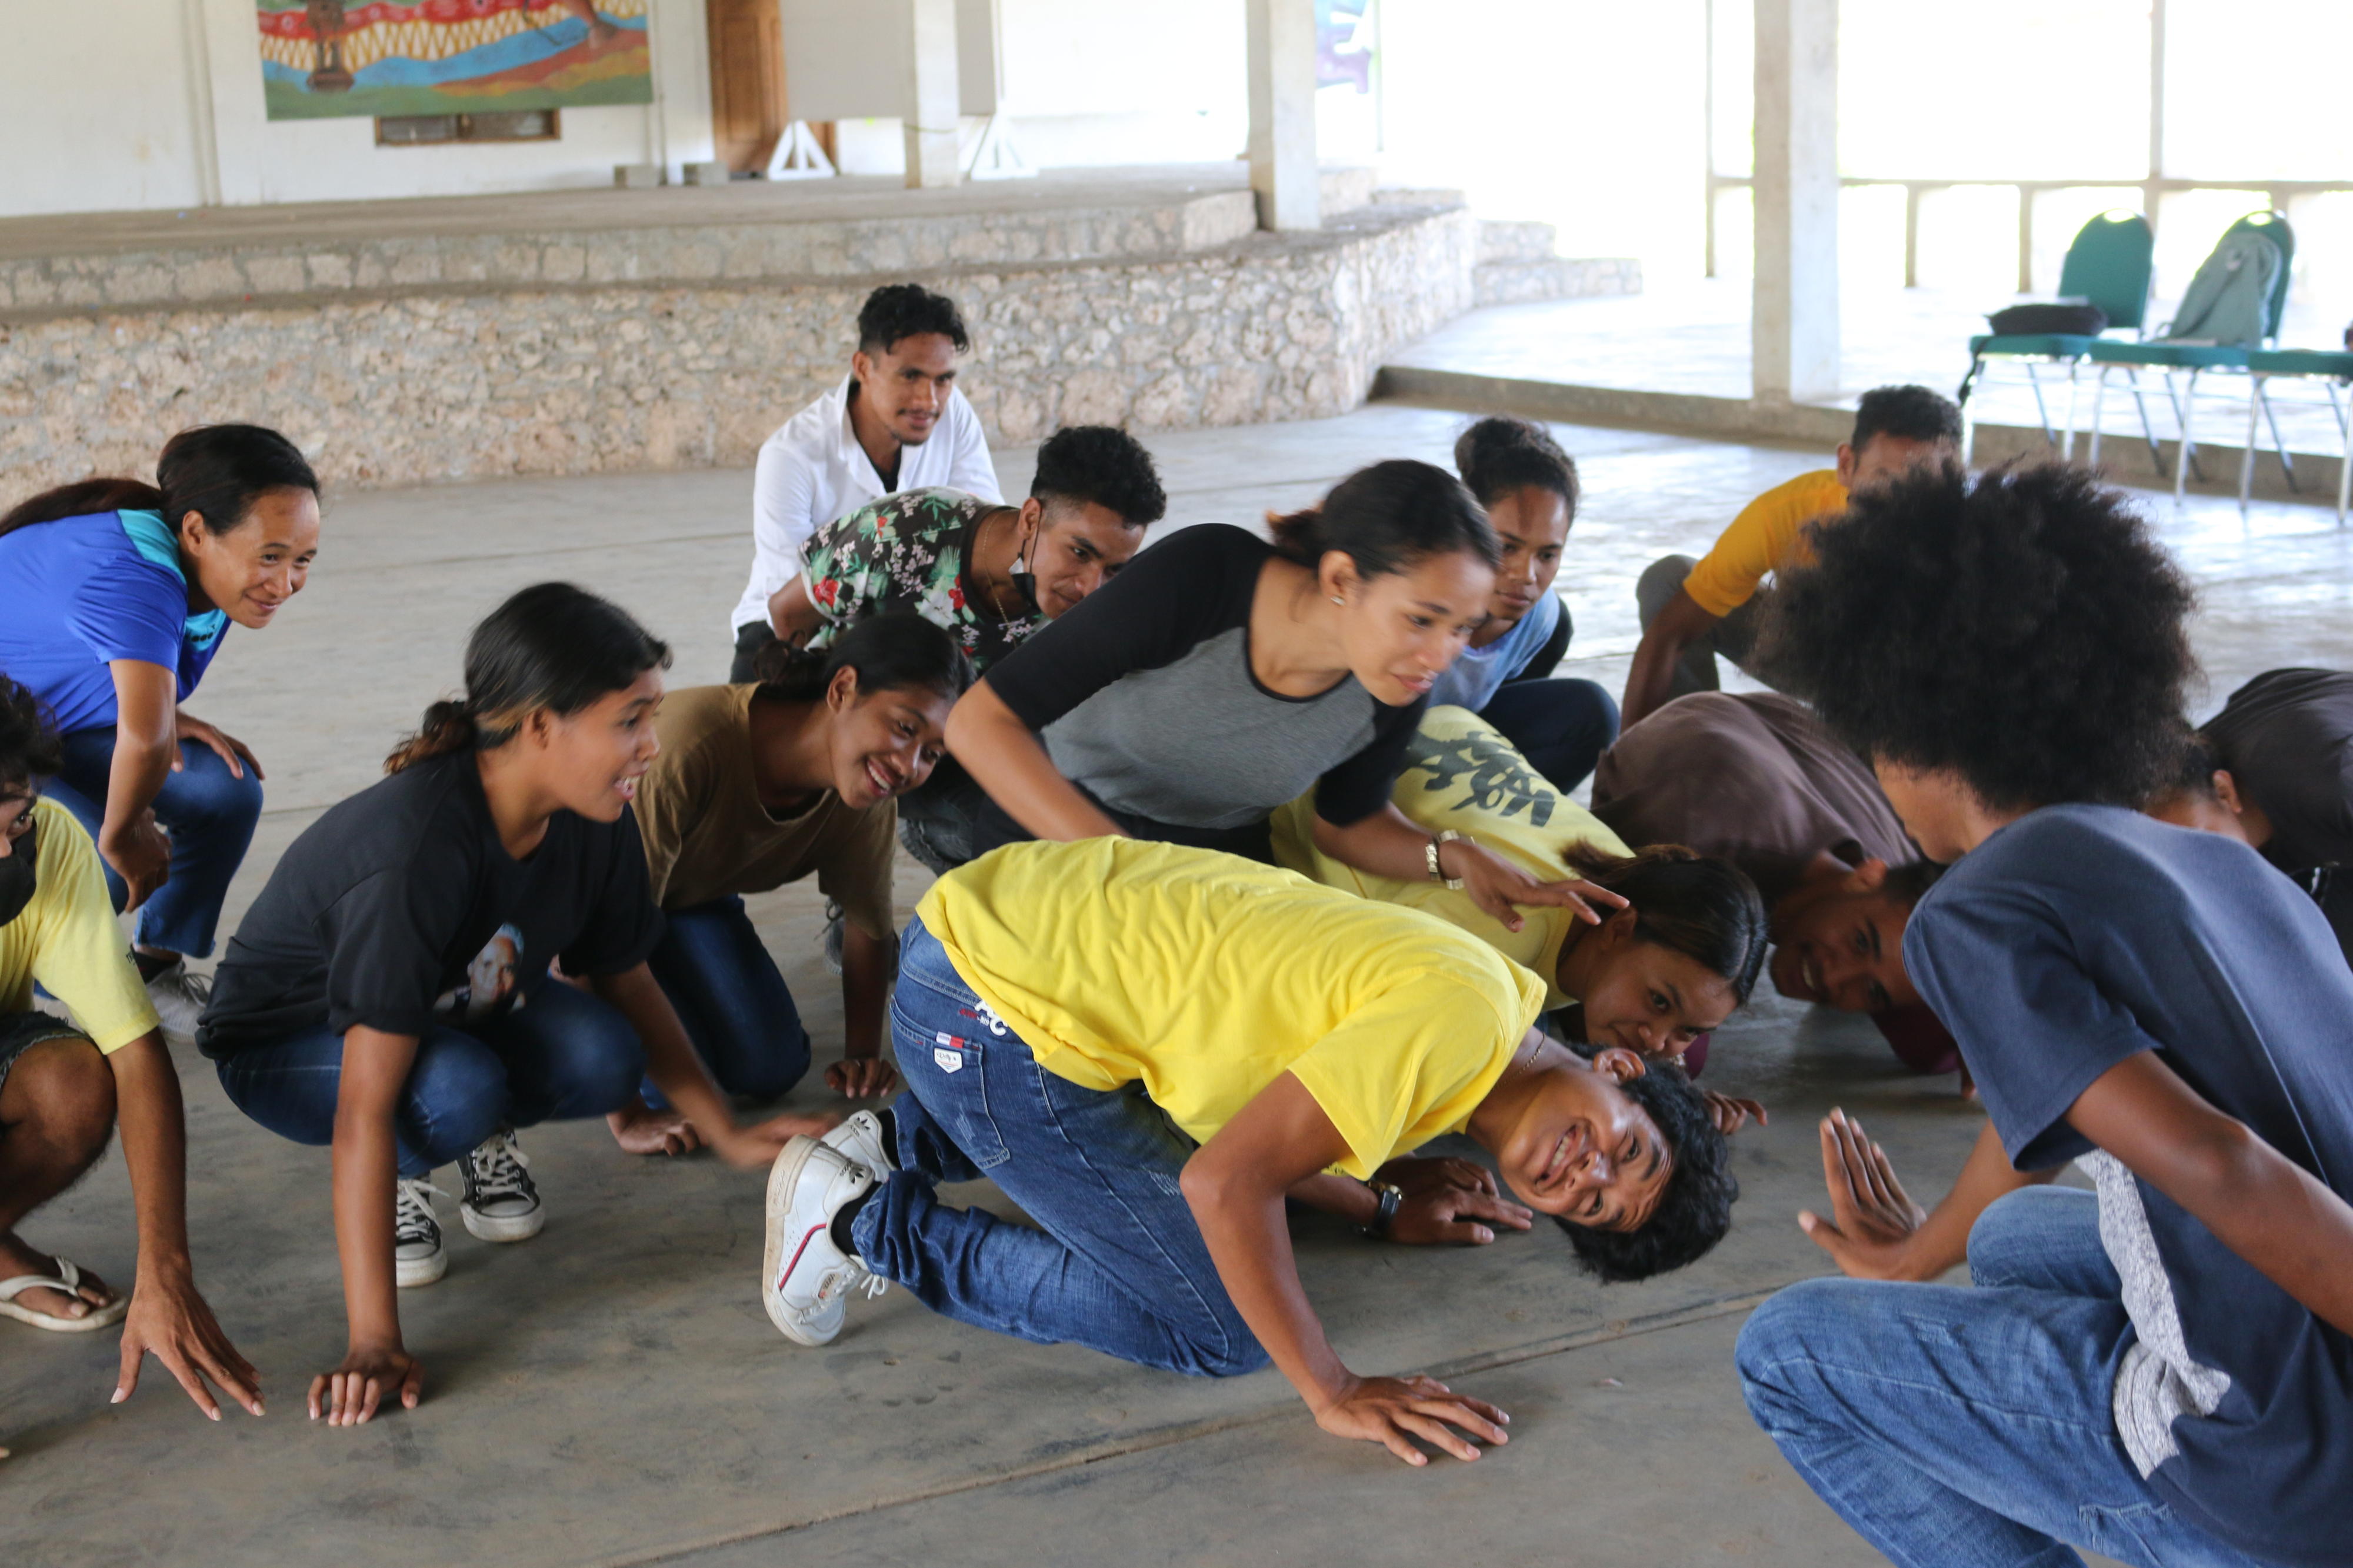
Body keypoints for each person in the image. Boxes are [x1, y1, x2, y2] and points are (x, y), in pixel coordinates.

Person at [1736, 461, 2353, 1568]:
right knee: (2017, 1238)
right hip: (2327, 1374)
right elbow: (2075, 1125)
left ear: (1910, 729)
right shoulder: (2231, 866)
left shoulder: (1975, 908)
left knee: (1791, 1349)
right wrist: (1922, 1248)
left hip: (2281, 1475)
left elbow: (2223, 1166)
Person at [759, 837, 1739, 1468]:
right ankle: (858, 1224)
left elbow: (1251, 1119)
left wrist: (1381, 1204)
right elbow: (1225, 1175)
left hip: (998, 925)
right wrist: (1334, 1389)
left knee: (1236, 1230)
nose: (1588, 1173)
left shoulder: (1492, 1015)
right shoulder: (1460, 1028)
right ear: (1622, 1070)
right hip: (986, 1012)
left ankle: (897, 1140)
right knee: (1219, 1330)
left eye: (1595, 1205)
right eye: (1629, 1150)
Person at [195, 584, 831, 1427]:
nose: (651, 744)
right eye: (629, 720)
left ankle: (465, 1120)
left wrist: (727, 1130)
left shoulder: (594, 813)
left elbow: (627, 978)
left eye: (652, 717)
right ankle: (412, 1174)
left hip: (443, 1012)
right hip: (289, 1040)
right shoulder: (418, 853)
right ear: (539, 726)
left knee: (606, 1055)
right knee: (453, 1088)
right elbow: (362, 1109)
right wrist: (374, 1340)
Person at [945, 460, 1622, 933]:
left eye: (1461, 627)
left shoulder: (1395, 682)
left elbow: (1346, 821)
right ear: (1340, 577)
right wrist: (1131, 871)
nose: (1441, 655)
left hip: (1211, 869)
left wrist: (1452, 855)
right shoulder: (1204, 576)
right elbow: (983, 721)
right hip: (1049, 826)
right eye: (1422, 617)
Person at [1272, 703, 1771, 1132]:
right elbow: (1365, 1086)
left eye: (1687, 1028)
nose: (1658, 1041)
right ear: (1619, 929)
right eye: (1659, 1000)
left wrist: (1664, 1089)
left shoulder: (1627, 872)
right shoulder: (1496, 946)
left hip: (1431, 721)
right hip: (1293, 784)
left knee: (1684, 1065)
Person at [0, 426, 322, 1038]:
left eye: (302, 559)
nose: (285, 584)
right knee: (104, 858)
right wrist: (125, 832)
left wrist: (162, 703)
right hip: (6, 734)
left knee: (224, 791)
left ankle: (153, 967)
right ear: (198, 530)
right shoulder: (140, 576)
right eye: (271, 556)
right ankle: (51, 976)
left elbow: (119, 669)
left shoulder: (202, 563)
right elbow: (145, 742)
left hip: (48, 713)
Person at [610, 615, 972, 1155]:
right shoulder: (688, 746)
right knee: (670, 1095)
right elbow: (600, 946)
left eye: (932, 753)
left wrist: (861, 1053)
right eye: (903, 727)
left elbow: (868, 926)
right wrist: (629, 1116)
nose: (907, 765)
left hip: (687, 901)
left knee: (772, 1068)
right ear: (843, 689)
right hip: (587, 916)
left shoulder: (868, 794)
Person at [0, 676, 259, 1420]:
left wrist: (167, 1270)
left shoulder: (50, 844)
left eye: (13, 816)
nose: (3, 844)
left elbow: (136, 1047)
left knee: (73, 1080)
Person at [769, 425, 1166, 873]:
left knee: (1046, 826)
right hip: (856, 720)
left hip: (950, 747)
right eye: (1079, 552)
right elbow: (788, 615)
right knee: (993, 830)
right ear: (1032, 518)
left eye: (1113, 570)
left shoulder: (1087, 612)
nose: (1092, 589)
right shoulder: (903, 535)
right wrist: (814, 752)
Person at [1591, 690, 1955, 1075]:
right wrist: (1663, 644)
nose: (1834, 978)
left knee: (1939, 1037)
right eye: (1861, 941)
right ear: (1867, 876)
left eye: (1872, 991)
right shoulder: (1696, 843)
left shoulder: (1898, 888)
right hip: (1703, 732)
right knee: (1672, 1058)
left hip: (1782, 735)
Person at [1621, 385, 1959, 729]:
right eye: (1883, 479)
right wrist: (1625, 762)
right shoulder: (1788, 514)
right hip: (1816, 654)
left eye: (1923, 484)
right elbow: (1669, 634)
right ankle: (1683, 750)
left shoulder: (1974, 542)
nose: (1901, 503)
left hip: (1915, 691)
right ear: (1847, 465)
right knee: (1670, 582)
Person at [728, 283, 999, 680]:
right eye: (910, 376)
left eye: (943, 380)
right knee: (756, 724)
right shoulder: (791, 455)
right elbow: (792, 608)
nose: (929, 400)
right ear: (862, 367)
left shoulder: (953, 414)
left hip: (925, 621)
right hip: (797, 629)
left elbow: (985, 538)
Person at [1428, 418, 1617, 790]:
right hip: (1366, 756)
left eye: (1547, 554)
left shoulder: (1544, 620)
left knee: (1592, 712)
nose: (1527, 575)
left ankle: (1499, 823)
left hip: (1443, 754)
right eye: (1507, 547)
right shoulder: (1415, 603)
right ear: (1466, 527)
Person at [2159, 668, 2352, 964]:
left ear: (2225, 791)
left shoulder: (2334, 787)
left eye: (2194, 845)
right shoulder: (2190, 763)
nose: (2190, 868)